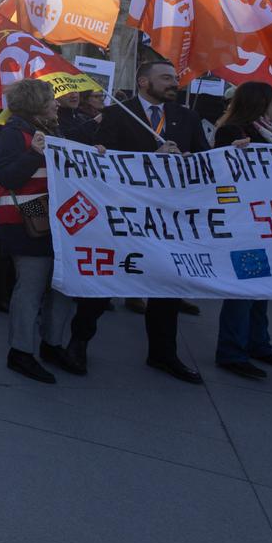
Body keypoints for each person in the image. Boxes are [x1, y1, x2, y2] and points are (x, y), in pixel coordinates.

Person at [91, 60, 208, 384]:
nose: (174, 83)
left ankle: (163, 353)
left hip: (169, 216)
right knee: (103, 284)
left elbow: (203, 157)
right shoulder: (117, 113)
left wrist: (190, 160)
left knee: (166, 287)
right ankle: (78, 342)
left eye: (175, 78)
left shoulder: (187, 116)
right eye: (166, 78)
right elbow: (101, 159)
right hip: (126, 212)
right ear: (144, 82)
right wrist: (149, 161)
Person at [211, 81, 272, 379]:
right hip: (244, 222)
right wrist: (232, 156)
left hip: (268, 221)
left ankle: (259, 344)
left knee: (262, 289)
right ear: (261, 103)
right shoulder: (231, 131)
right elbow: (219, 174)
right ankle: (231, 351)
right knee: (243, 290)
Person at [0, 79, 80, 383]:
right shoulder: (12, 134)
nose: (57, 103)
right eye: (50, 99)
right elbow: (7, 177)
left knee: (62, 286)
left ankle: (52, 343)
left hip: (57, 223)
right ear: (35, 104)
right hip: (26, 224)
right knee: (30, 289)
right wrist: (32, 154)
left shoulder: (53, 131)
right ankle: (20, 351)